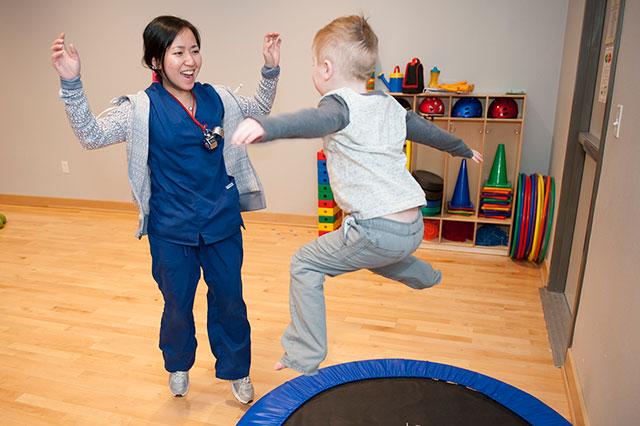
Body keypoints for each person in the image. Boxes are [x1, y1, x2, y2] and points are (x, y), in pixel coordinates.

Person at [230, 15, 482, 376]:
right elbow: (428, 131)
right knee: (373, 254)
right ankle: (425, 276)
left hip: (378, 227)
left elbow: (309, 123)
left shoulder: (338, 106)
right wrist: (461, 148)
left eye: (315, 64)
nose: (314, 70)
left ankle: (303, 355)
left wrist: (265, 127)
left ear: (327, 68)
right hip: (413, 227)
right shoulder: (389, 105)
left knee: (305, 263)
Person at [50, 15, 282, 403]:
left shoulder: (217, 98)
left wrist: (270, 69)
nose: (190, 60)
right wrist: (71, 83)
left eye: (194, 50)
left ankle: (236, 370)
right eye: (178, 52)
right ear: (156, 60)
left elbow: (257, 106)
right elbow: (91, 135)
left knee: (230, 301)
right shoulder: (141, 108)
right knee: (177, 305)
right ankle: (178, 363)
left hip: (221, 221)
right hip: (171, 228)